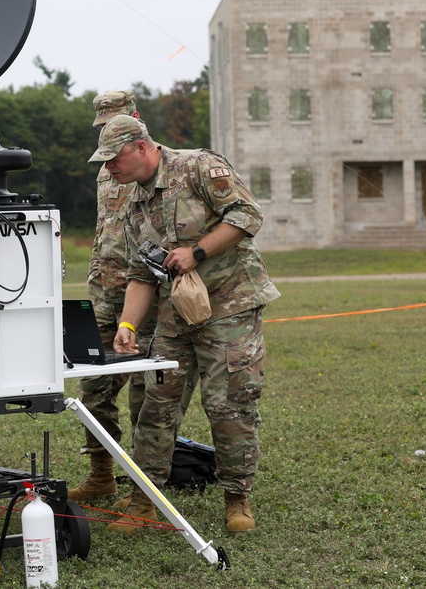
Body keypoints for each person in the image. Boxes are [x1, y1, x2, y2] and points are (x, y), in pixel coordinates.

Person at [87, 114, 280, 535]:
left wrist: (197, 251)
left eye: (113, 158)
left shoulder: (197, 167)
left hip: (229, 307)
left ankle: (237, 498)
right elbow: (140, 273)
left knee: (229, 406)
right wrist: (129, 326)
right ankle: (144, 501)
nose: (108, 169)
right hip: (175, 316)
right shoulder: (135, 203)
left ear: (140, 146)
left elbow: (248, 214)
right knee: (154, 408)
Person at [67, 90, 158, 505]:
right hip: (104, 293)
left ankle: (145, 485)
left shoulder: (154, 167)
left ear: (134, 120)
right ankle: (102, 474)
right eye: (100, 126)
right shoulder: (107, 171)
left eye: (113, 124)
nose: (105, 133)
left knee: (146, 392)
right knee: (94, 386)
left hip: (145, 297)